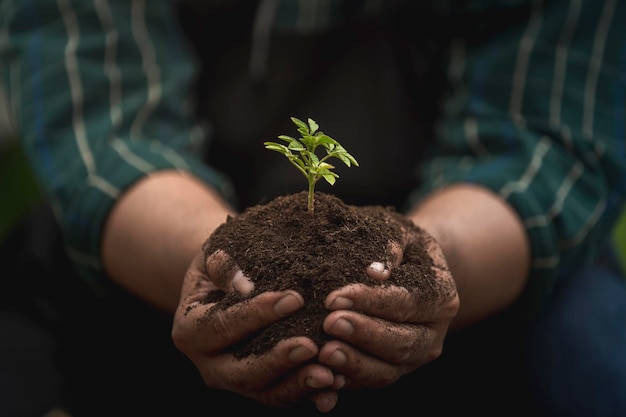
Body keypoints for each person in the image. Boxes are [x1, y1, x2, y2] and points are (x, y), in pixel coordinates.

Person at [1, 0, 625, 416]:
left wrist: (434, 263)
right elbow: (104, 122)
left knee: (597, 356)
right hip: (151, 237)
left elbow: (545, 141)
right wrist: (212, 258)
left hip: (489, 252)